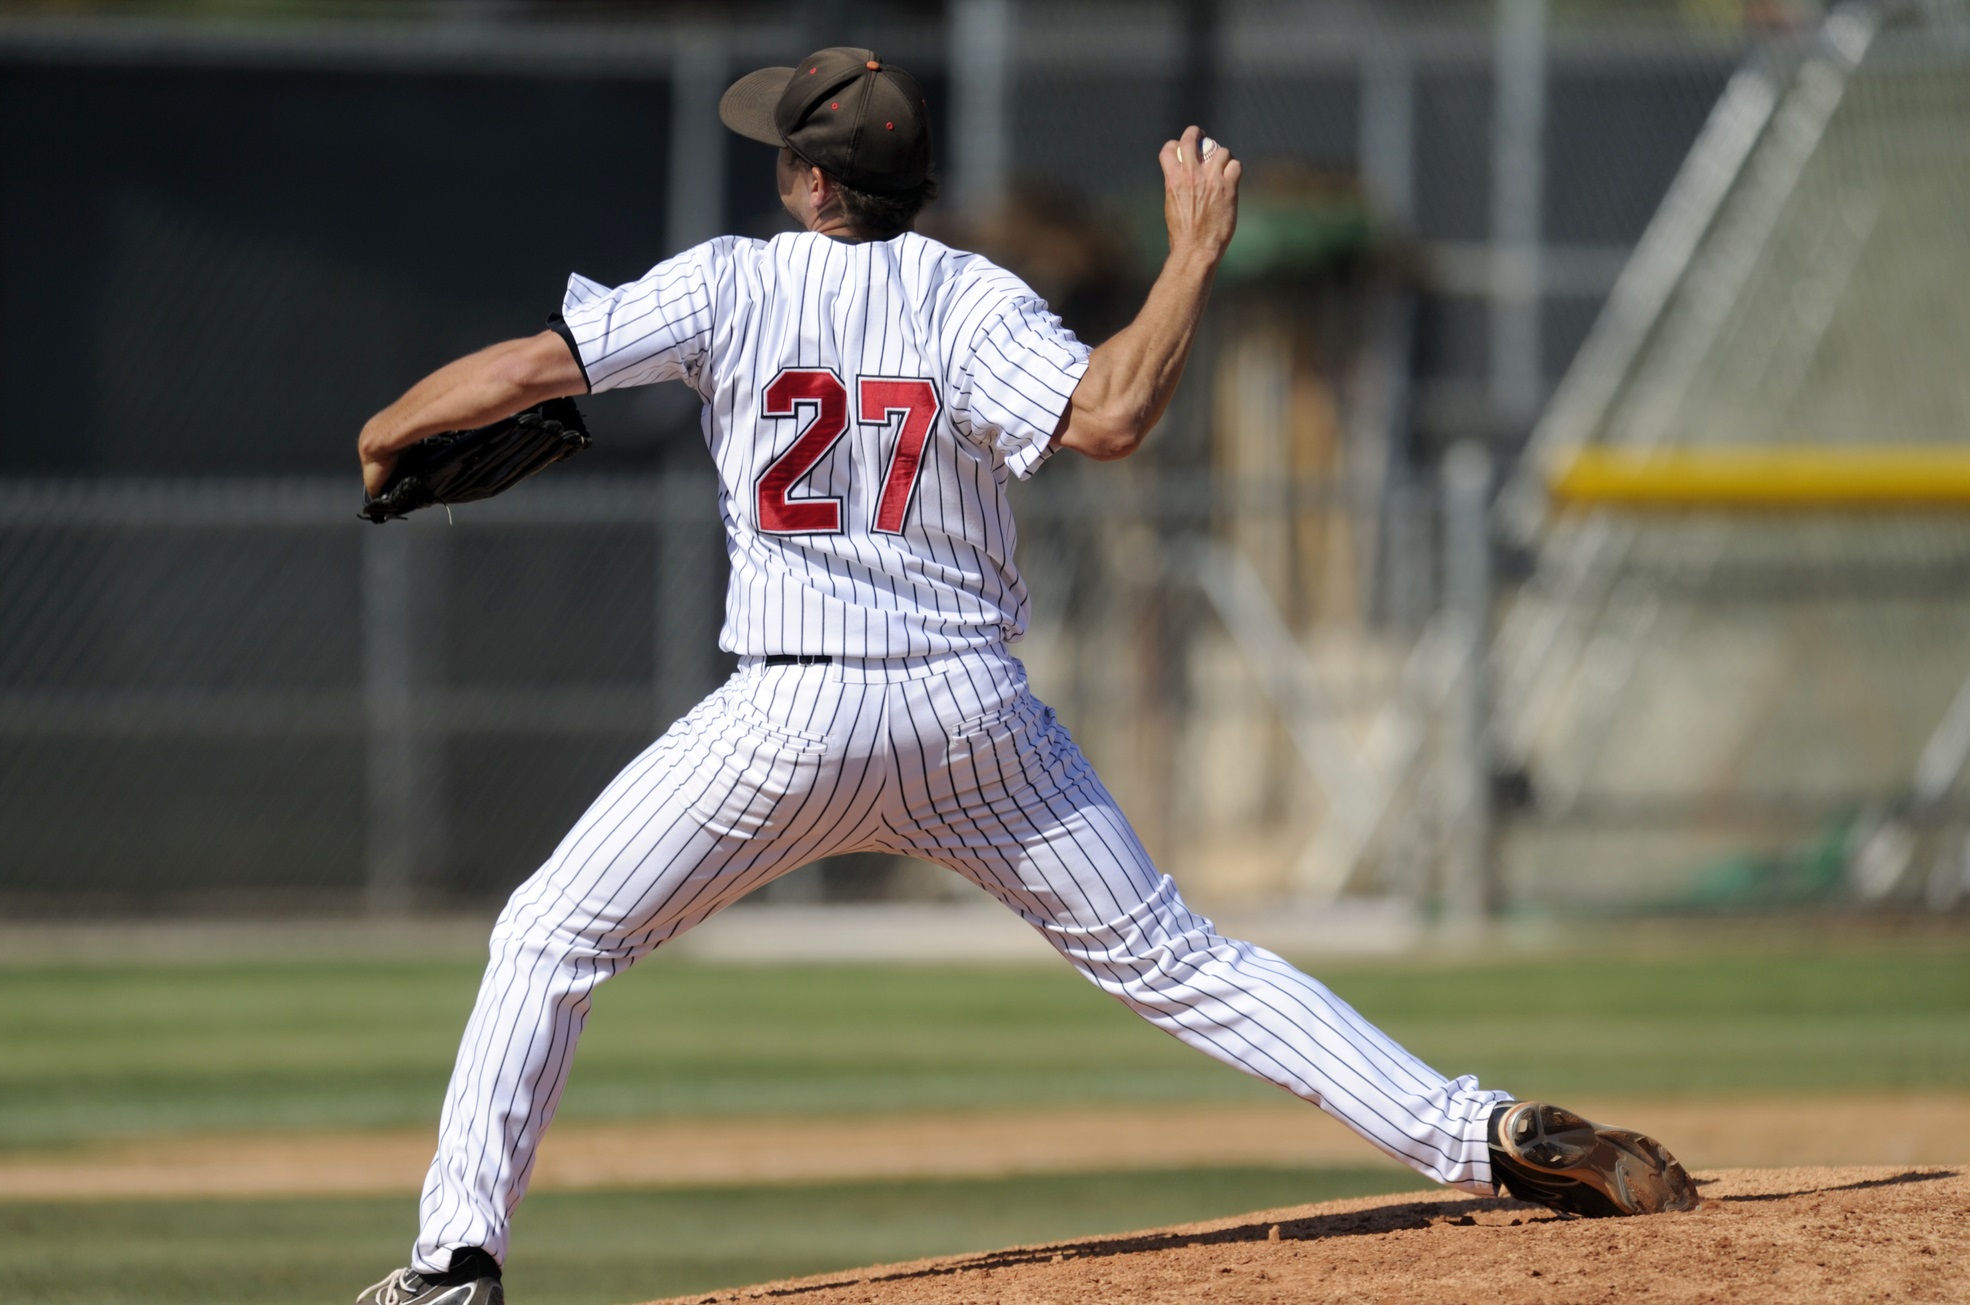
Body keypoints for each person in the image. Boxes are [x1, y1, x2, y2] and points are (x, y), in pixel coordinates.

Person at [352, 47, 1696, 1305]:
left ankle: (453, 1262)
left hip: (790, 713)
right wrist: (1187, 262)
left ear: (818, 184)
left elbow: (535, 365)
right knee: (1182, 959)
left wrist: (385, 430)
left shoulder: (729, 283)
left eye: (786, 151)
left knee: (549, 938)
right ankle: (1481, 1129)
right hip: (970, 716)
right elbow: (1110, 415)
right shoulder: (971, 297)